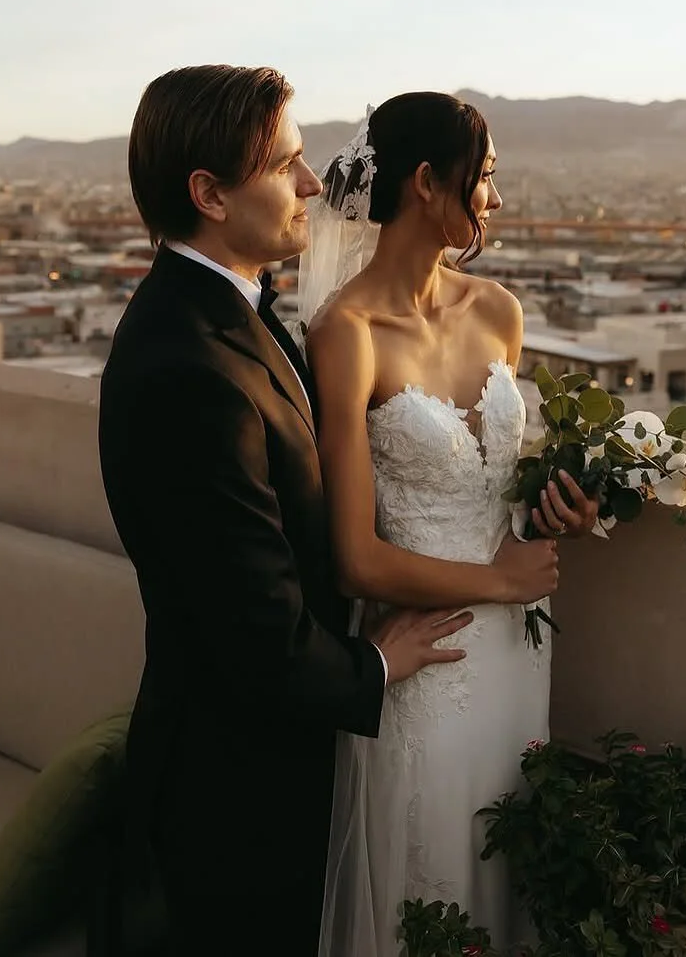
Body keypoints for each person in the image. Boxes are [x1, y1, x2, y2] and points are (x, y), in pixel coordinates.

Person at [97, 66, 546, 955]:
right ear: (210, 195)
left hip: (347, 714)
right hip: (240, 782)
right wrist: (377, 665)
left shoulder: (231, 317)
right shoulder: (188, 367)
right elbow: (252, 616)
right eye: (287, 165)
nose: (316, 184)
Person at [307, 93, 599, 956]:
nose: (495, 202)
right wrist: (502, 583)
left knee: (511, 869)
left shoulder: (500, 312)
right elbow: (355, 558)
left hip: (521, 655)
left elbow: (501, 485)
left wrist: (563, 511)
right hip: (427, 656)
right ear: (427, 181)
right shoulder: (348, 332)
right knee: (432, 881)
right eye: (486, 179)